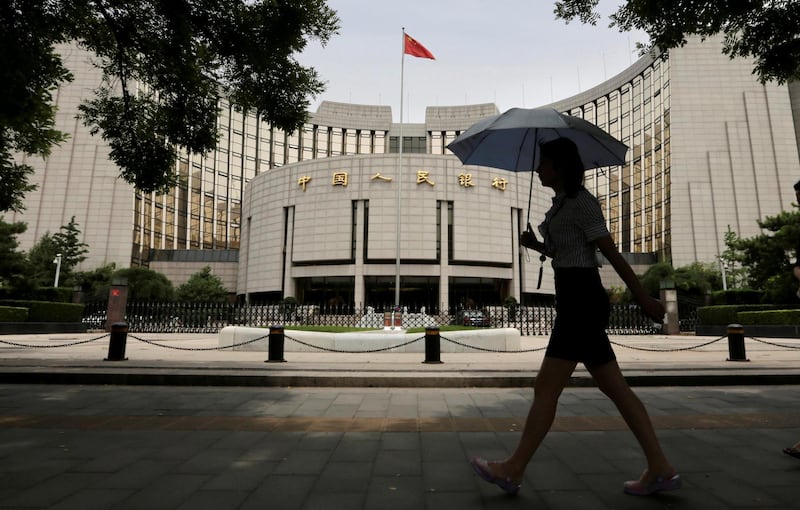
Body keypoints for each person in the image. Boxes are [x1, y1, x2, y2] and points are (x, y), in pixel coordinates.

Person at [469, 137, 679, 496]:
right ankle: (659, 466)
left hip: (582, 299)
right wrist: (534, 244)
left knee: (547, 386)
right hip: (573, 297)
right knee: (614, 388)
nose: (538, 169)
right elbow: (560, 250)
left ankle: (513, 468)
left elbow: (609, 253)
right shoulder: (560, 204)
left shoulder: (582, 203)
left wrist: (642, 296)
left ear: (560, 167)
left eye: (544, 163)